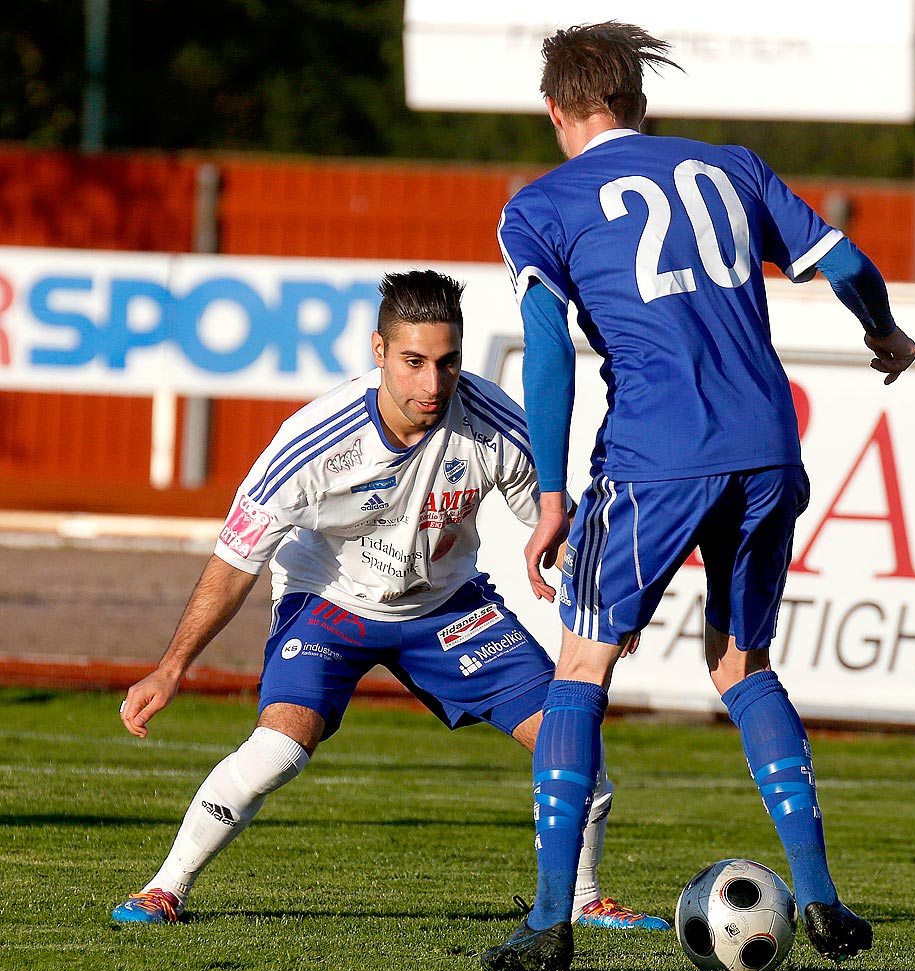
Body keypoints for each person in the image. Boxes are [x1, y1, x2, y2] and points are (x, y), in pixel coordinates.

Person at [483, 23, 915, 971]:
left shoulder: (541, 205)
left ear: (556, 111)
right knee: (739, 661)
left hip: (653, 458)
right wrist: (884, 336)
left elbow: (551, 350)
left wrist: (550, 494)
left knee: (580, 671)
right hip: (768, 447)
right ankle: (825, 903)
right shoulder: (732, 167)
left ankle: (550, 922)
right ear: (641, 101)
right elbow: (846, 264)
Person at [110, 269, 667, 933]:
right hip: (328, 605)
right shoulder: (311, 444)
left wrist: (609, 601)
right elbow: (235, 564)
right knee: (278, 750)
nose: (433, 384)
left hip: (448, 609)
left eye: (448, 362)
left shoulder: (496, 429)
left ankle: (583, 896)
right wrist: (172, 667)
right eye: (414, 362)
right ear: (379, 352)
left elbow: (556, 528)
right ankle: (164, 888)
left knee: (577, 746)